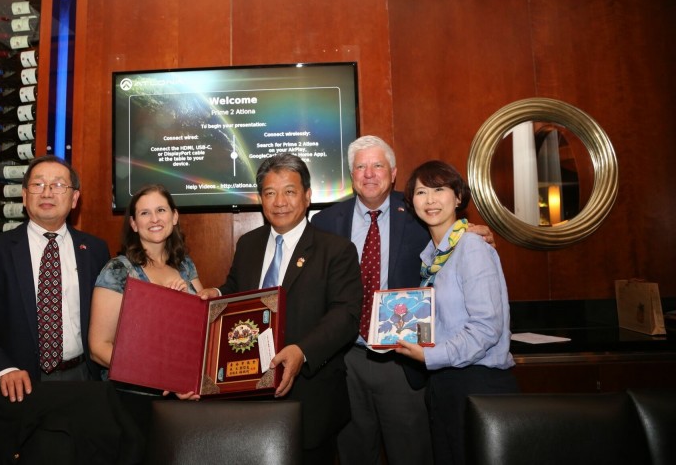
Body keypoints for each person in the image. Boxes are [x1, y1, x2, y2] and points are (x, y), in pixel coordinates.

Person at [312, 135, 494, 465]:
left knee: (412, 455)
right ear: (351, 175)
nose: (369, 173)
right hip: (345, 360)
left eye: (377, 165)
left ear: (393, 173)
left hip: (404, 359)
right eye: (361, 166)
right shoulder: (324, 222)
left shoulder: (419, 212)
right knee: (353, 454)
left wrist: (468, 231)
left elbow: (448, 230)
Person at [205, 153, 363, 464]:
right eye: (270, 192)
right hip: (248, 391)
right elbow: (237, 289)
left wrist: (302, 351)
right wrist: (218, 292)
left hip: (310, 394)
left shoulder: (336, 250)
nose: (280, 201)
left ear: (307, 196)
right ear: (260, 198)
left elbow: (345, 316)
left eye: (289, 191)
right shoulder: (248, 243)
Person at [0, 155, 111, 403]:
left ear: (74, 199)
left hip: (84, 381)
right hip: (18, 387)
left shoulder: (95, 250)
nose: (47, 193)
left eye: (59, 185)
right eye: (38, 185)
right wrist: (3, 370)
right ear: (25, 196)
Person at [396, 160, 517, 465]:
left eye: (440, 189)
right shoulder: (432, 257)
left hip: (479, 384)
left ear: (458, 197)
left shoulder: (471, 247)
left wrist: (430, 355)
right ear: (412, 203)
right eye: (422, 192)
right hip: (445, 383)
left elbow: (487, 329)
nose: (431, 200)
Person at [89, 184, 204, 394]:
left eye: (161, 210)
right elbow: (99, 348)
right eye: (144, 213)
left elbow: (203, 330)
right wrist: (158, 376)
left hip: (184, 391)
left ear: (174, 216)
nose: (154, 219)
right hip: (133, 397)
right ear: (133, 224)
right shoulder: (117, 270)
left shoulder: (185, 265)